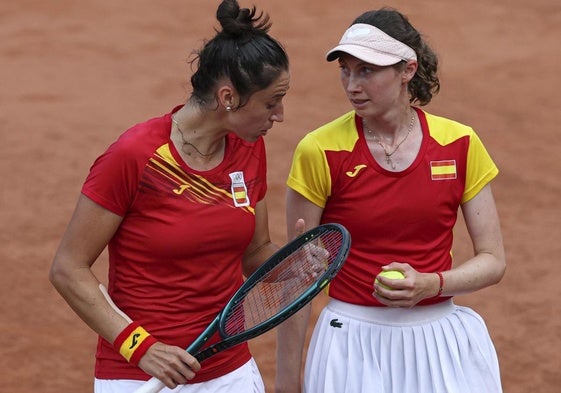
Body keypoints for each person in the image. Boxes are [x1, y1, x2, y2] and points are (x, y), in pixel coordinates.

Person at [49, 1, 291, 392]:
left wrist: (294, 263)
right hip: (140, 372)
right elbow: (68, 268)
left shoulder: (249, 149)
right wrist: (141, 347)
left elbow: (255, 251)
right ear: (228, 97)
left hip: (228, 371)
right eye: (271, 101)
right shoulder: (134, 156)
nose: (279, 115)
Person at [276, 7, 506, 393]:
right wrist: (286, 385)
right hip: (350, 342)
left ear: (407, 70)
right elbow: (300, 281)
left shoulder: (460, 143)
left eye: (367, 70)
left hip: (438, 339)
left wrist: (433, 284)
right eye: (346, 70)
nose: (352, 85)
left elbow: (493, 260)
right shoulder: (319, 150)